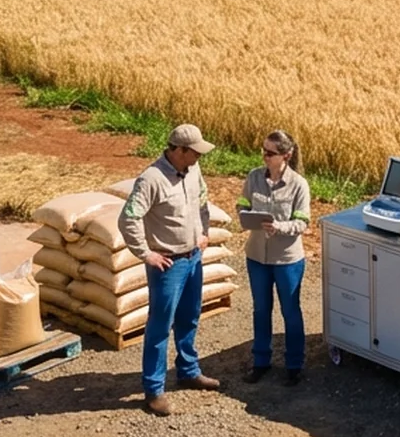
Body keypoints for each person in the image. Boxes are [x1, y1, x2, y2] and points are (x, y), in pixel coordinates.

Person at [119, 123, 221, 415]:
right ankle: (154, 390)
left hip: (193, 258)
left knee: (190, 317)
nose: (199, 157)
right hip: (169, 264)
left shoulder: (193, 171)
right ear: (179, 150)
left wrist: (204, 231)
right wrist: (145, 253)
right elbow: (129, 218)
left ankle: (188, 371)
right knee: (160, 326)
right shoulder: (151, 179)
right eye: (195, 152)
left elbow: (202, 200)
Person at [238, 129, 311, 385]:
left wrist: (279, 226)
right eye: (263, 151)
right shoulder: (253, 177)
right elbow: (242, 204)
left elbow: (302, 222)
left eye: (270, 153)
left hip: (287, 259)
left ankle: (294, 365)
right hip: (257, 256)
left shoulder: (299, 185)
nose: (265, 157)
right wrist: (245, 215)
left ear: (286, 156)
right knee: (261, 309)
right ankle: (261, 361)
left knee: (290, 311)